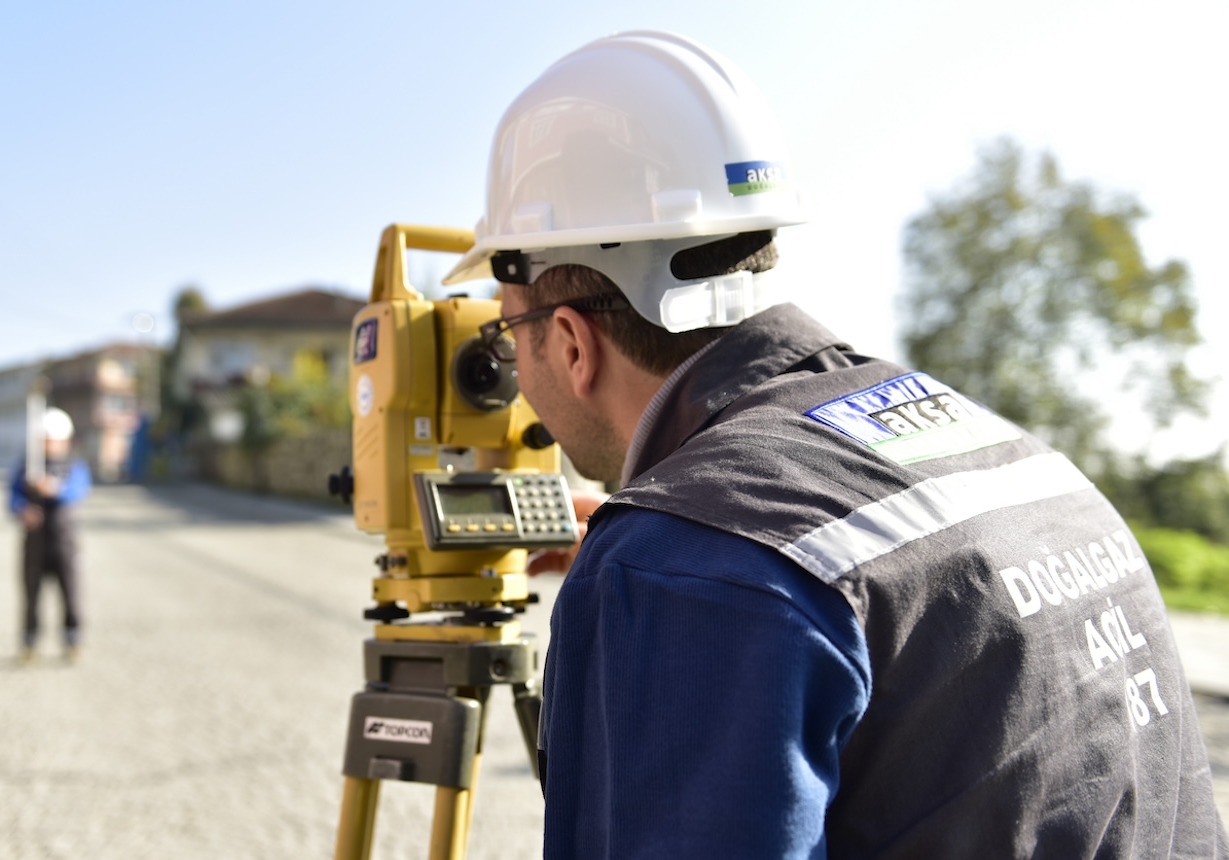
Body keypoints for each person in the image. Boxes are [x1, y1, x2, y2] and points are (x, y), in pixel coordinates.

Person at [444, 31, 1228, 858]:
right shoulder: (1016, 464)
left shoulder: (684, 567)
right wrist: (666, 552)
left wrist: (661, 571)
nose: (515, 370)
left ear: (569, 342)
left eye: (510, 335)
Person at [8, 407, 91, 663]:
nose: (48, 445)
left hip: (64, 543)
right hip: (34, 544)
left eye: (52, 440)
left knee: (71, 595)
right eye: (43, 440)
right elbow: (11, 498)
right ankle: (29, 644)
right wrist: (22, 510)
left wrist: (54, 488)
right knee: (31, 595)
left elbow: (77, 490)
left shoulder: (73, 468)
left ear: (64, 441)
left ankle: (72, 640)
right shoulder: (24, 470)